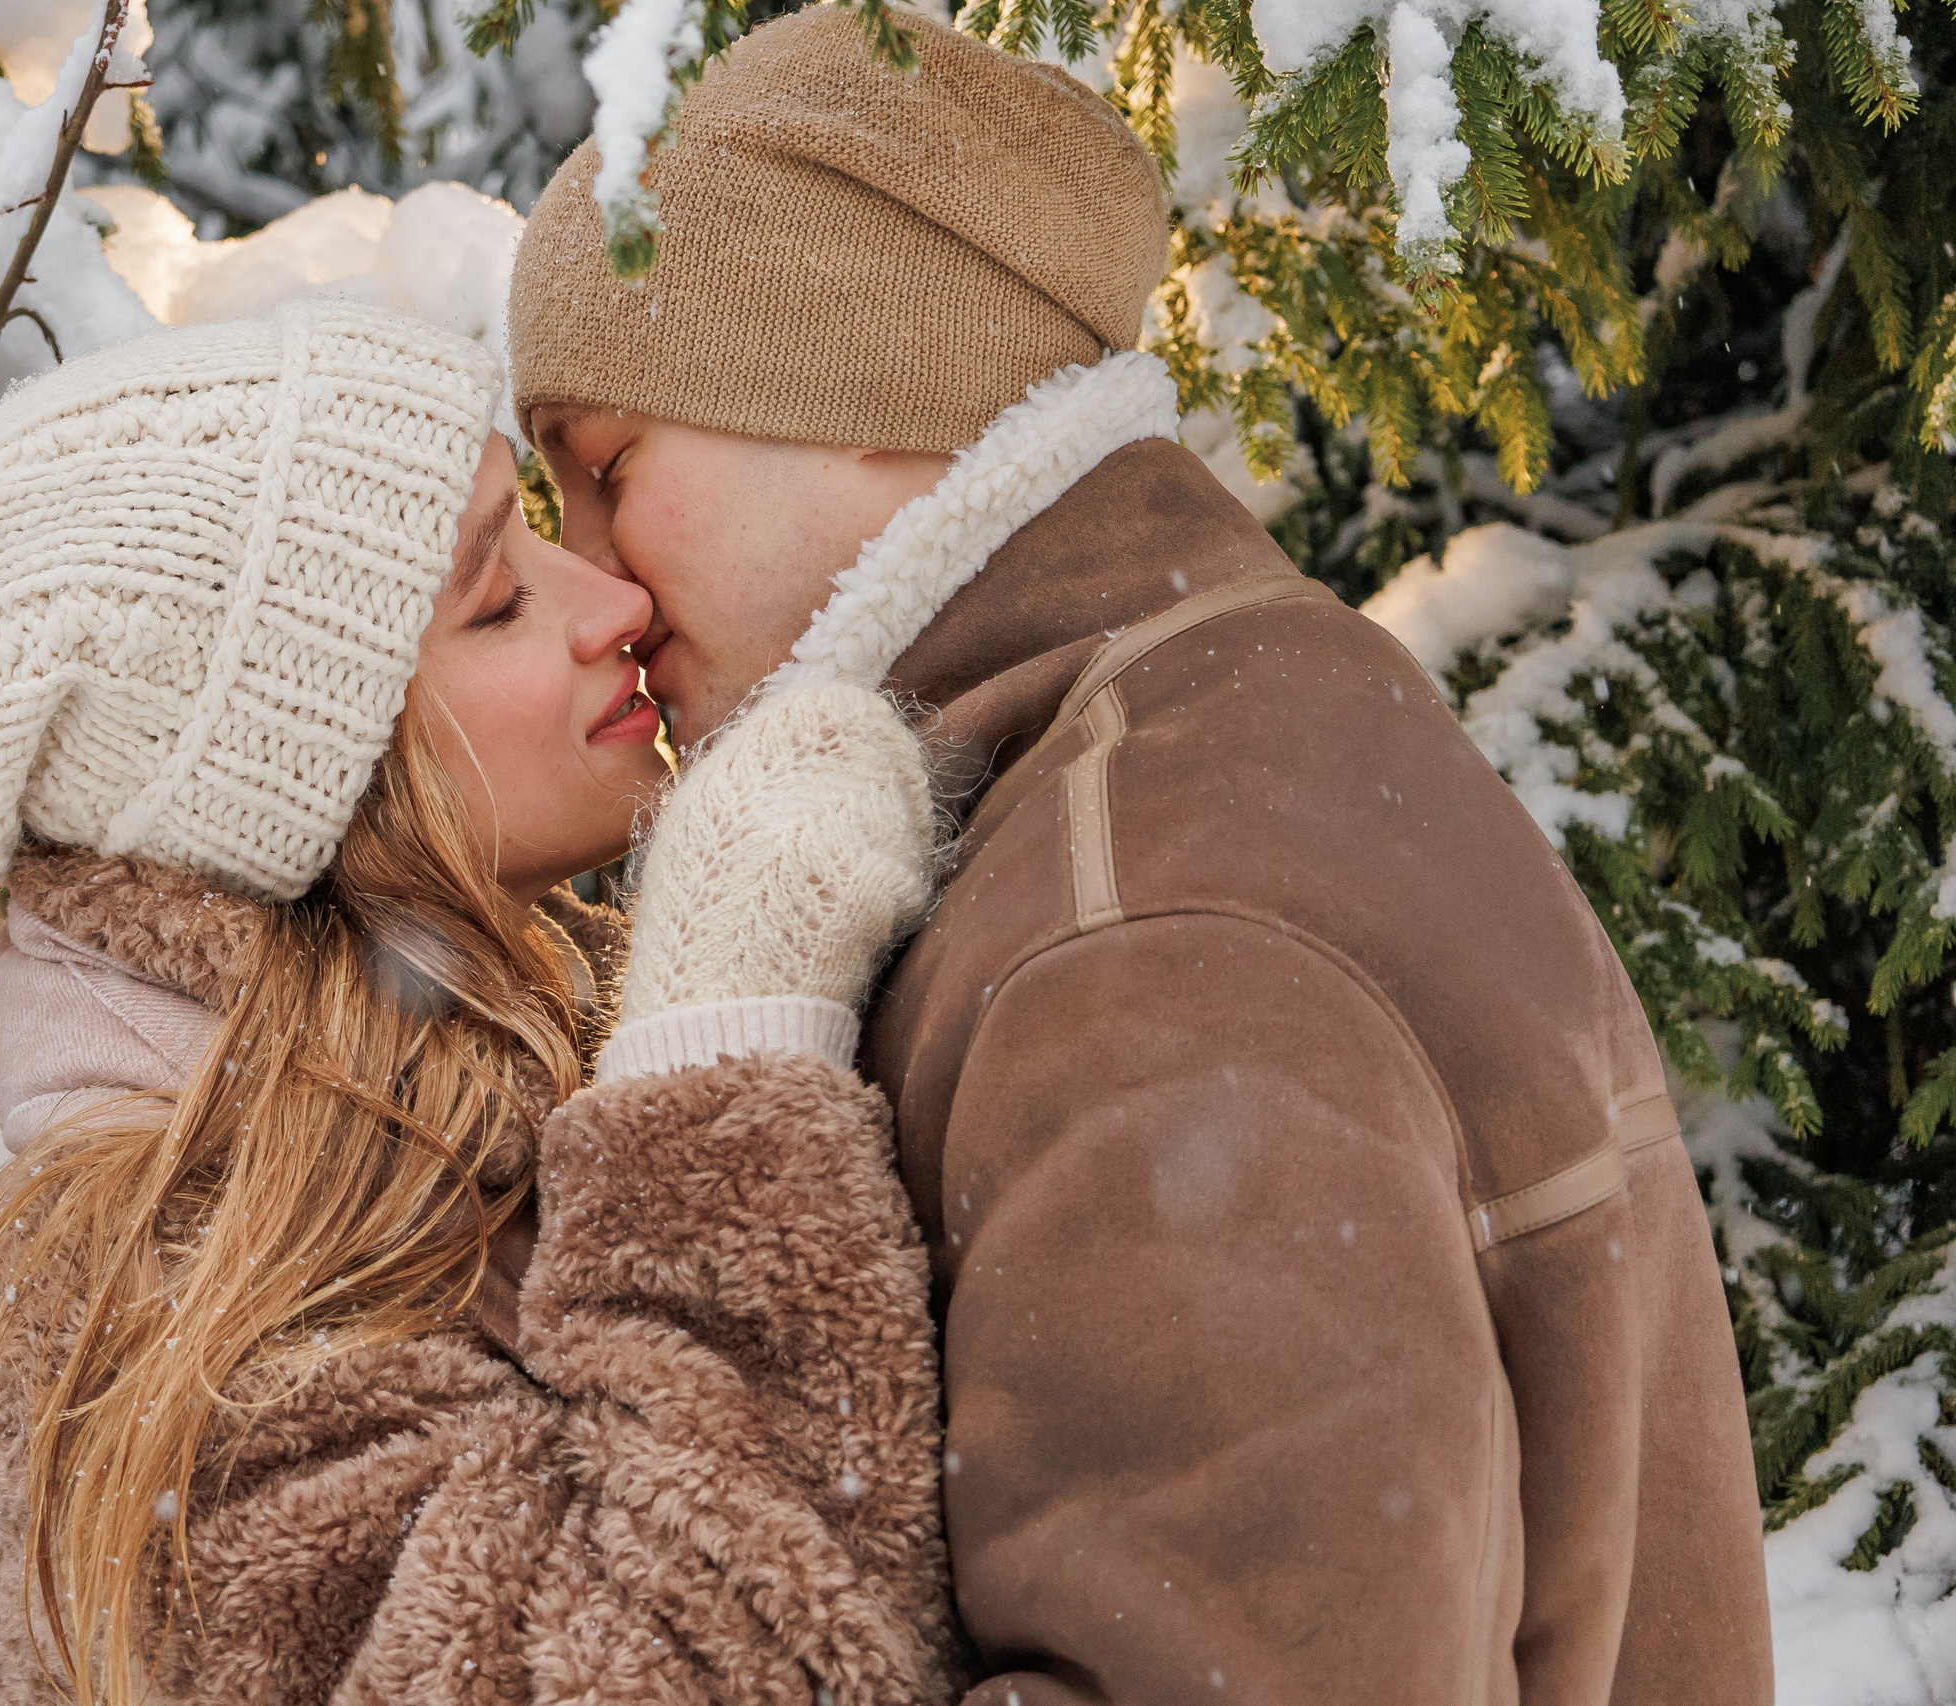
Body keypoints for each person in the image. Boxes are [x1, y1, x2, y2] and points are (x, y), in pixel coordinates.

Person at [507, 10, 1774, 1705]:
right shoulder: (1227, 720)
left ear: (866, 385)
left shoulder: (1136, 929)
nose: (595, 583)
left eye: (607, 472)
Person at [0, 302, 962, 1704]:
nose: (612, 603)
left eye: (535, 532)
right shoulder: (136, 1288)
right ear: (316, 783)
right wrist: (732, 1044)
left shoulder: (479, 1078)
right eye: (498, 597)